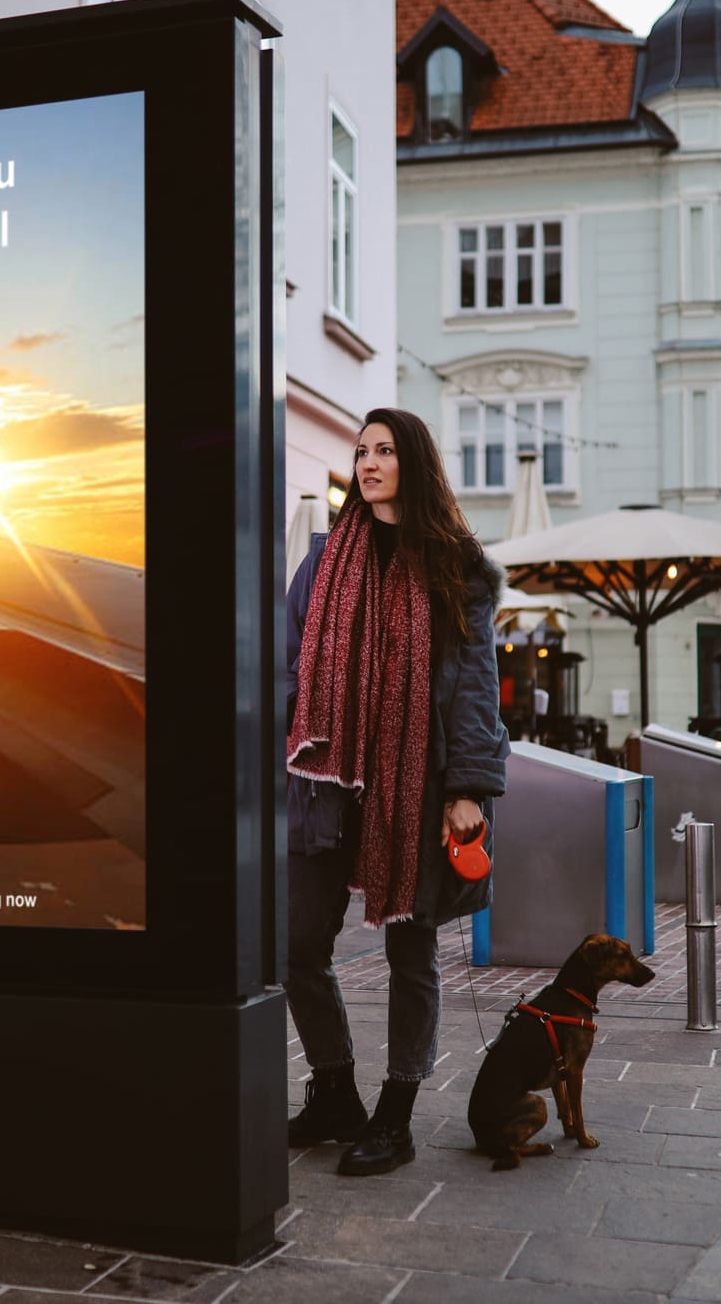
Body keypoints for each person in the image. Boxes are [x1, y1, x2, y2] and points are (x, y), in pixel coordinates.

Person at [282, 407, 510, 1177]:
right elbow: (288, 665)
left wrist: (470, 786)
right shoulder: (321, 562)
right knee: (298, 943)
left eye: (383, 449)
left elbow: (475, 686)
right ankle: (335, 1091)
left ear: (411, 461)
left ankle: (397, 1110)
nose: (369, 461)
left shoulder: (455, 566)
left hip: (415, 781)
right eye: (360, 450)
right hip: (326, 783)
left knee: (410, 949)